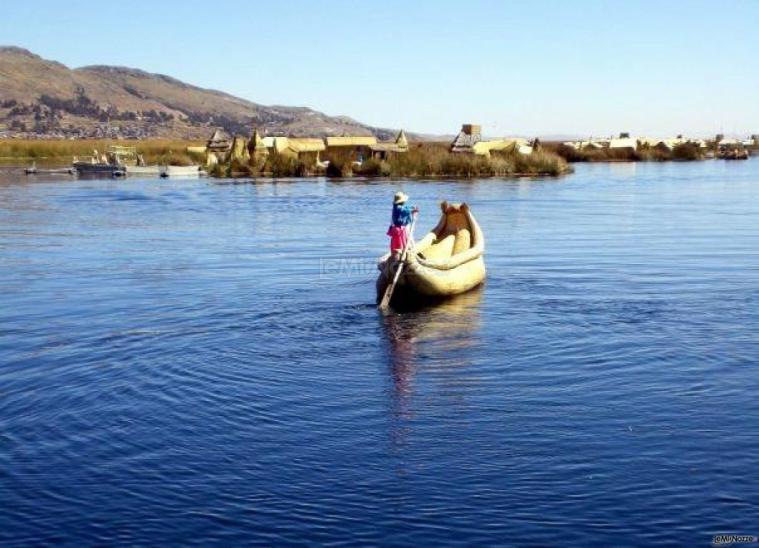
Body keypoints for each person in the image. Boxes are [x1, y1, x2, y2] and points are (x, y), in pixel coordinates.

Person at [387, 191, 418, 256]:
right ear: (402, 201)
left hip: (395, 229)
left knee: (397, 243)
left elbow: (406, 208)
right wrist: (413, 210)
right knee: (402, 242)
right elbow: (405, 210)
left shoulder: (396, 207)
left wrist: (411, 208)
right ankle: (402, 255)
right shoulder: (399, 208)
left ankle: (398, 254)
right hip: (399, 230)